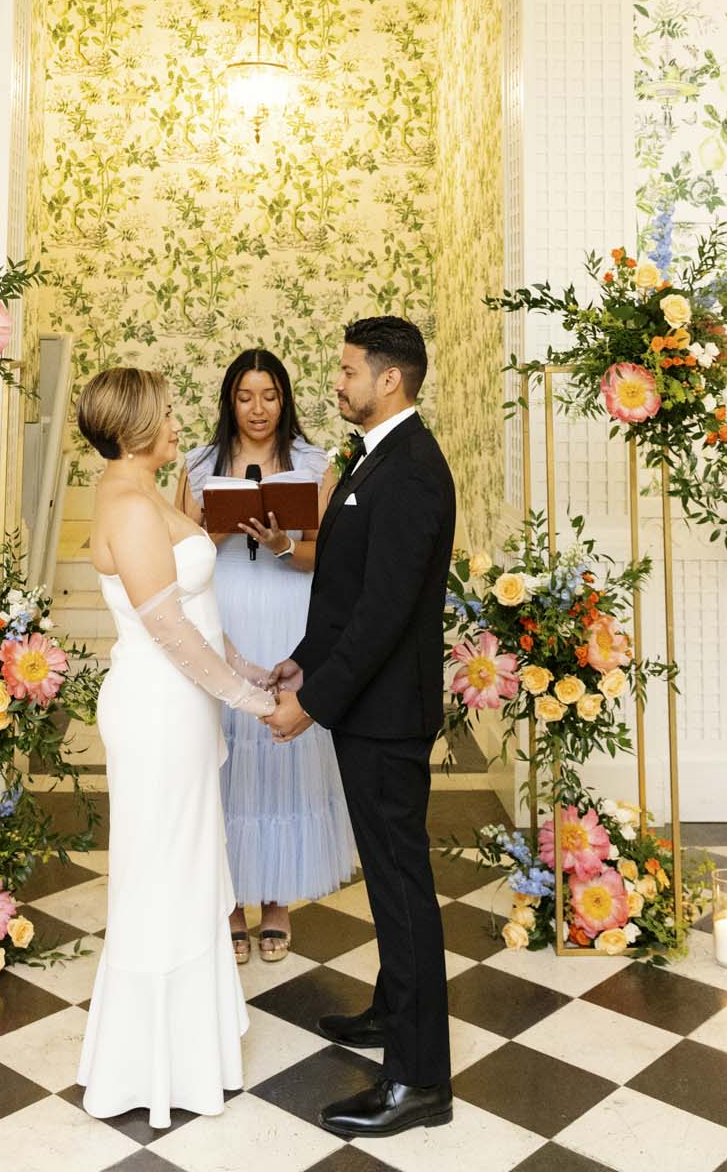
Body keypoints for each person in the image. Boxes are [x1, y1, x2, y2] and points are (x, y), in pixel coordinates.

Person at [267, 316, 457, 1140]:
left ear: (389, 379)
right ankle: (392, 1011)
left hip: (386, 717)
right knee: (388, 880)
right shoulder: (374, 458)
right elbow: (344, 595)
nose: (335, 382)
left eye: (347, 371)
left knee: (403, 889)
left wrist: (313, 703)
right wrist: (302, 662)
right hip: (366, 707)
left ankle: (419, 1082)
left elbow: (383, 616)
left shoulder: (411, 469)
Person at [75, 365, 277, 1130]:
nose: (176, 421)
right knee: (161, 875)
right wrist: (249, 698)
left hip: (182, 705)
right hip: (157, 708)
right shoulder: (127, 504)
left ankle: (194, 1056)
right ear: (133, 426)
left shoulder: (148, 491)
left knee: (188, 867)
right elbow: (165, 627)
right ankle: (149, 1069)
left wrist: (250, 666)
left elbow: (198, 607)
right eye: (164, 413)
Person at [175, 349, 354, 964]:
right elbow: (173, 558)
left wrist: (281, 544)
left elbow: (322, 557)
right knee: (222, 749)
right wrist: (216, 533)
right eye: (246, 396)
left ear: (285, 399)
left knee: (283, 744)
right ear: (230, 399)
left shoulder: (312, 463)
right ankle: (228, 900)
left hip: (288, 612)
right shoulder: (199, 466)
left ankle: (276, 898)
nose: (258, 409)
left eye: (270, 395)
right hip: (223, 615)